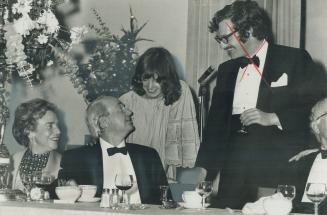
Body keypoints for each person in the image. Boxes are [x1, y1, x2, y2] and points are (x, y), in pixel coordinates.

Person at [195, 0, 326, 209]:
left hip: (278, 172)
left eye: (226, 38)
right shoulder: (226, 70)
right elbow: (215, 127)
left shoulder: (294, 59)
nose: (222, 45)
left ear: (250, 29)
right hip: (233, 177)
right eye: (219, 39)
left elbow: (318, 109)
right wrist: (203, 169)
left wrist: (274, 117)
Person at [57, 96, 168, 204]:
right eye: (121, 108)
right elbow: (58, 194)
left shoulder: (148, 156)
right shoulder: (76, 158)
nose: (130, 112)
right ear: (103, 122)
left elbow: (166, 200)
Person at [119, 47, 200, 180]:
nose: (150, 86)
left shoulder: (180, 93)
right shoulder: (126, 101)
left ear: (167, 79)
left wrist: (158, 180)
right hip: (129, 174)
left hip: (163, 173)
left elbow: (173, 141)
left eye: (157, 80)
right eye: (146, 79)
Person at [11, 99, 62, 191]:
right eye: (50, 126)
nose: (58, 131)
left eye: (57, 125)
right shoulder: (13, 161)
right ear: (29, 131)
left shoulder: (65, 163)